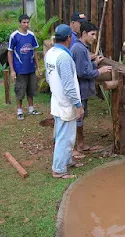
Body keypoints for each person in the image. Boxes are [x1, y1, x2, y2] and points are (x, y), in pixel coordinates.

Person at [44, 24, 84, 179]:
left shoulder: (50, 53)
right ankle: (59, 169)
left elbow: (49, 78)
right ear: (69, 38)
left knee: (66, 134)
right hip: (66, 104)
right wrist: (78, 106)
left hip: (57, 100)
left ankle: (67, 160)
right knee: (64, 137)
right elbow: (69, 86)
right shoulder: (64, 58)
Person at [70, 21, 112, 152]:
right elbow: (82, 72)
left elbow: (83, 67)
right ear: (84, 34)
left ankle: (78, 143)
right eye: (92, 34)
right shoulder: (79, 49)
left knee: (79, 116)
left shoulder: (83, 48)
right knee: (79, 117)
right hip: (80, 90)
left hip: (82, 89)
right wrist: (100, 70)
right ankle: (79, 144)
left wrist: (94, 63)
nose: (94, 38)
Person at [8, 14, 42, 120]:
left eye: (28, 22)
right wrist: (12, 70)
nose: (26, 24)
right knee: (20, 90)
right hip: (20, 69)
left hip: (30, 68)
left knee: (31, 89)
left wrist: (38, 67)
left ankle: (31, 109)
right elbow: (10, 53)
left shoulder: (31, 35)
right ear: (19, 23)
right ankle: (19, 111)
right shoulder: (14, 36)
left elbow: (34, 51)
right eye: (24, 22)